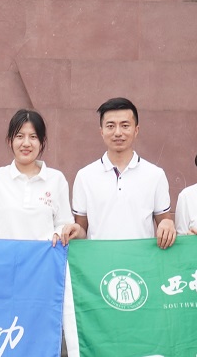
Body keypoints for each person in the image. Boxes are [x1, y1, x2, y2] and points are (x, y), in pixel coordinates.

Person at [71, 97, 174, 247]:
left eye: (125, 126)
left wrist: (167, 224)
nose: (118, 133)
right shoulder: (85, 176)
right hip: (99, 259)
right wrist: (75, 231)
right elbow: (82, 229)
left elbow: (164, 221)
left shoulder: (155, 175)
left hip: (141, 259)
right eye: (110, 126)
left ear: (136, 130)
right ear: (101, 131)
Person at [0, 109, 73, 242]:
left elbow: (64, 223)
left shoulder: (56, 179)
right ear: (9, 141)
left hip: (41, 255)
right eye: (20, 136)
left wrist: (59, 233)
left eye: (33, 137)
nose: (26, 143)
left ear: (42, 143)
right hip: (1, 255)